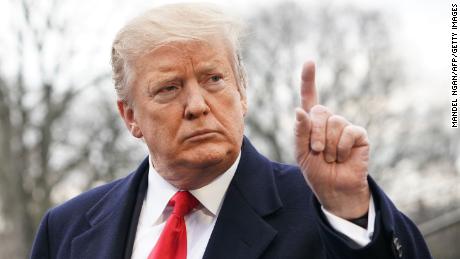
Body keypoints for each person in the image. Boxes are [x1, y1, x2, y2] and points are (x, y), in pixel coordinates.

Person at [30, 3, 432, 259]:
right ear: (129, 116)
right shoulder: (65, 229)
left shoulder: (326, 211)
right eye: (169, 88)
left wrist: (349, 209)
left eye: (214, 79)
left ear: (243, 92)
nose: (197, 105)